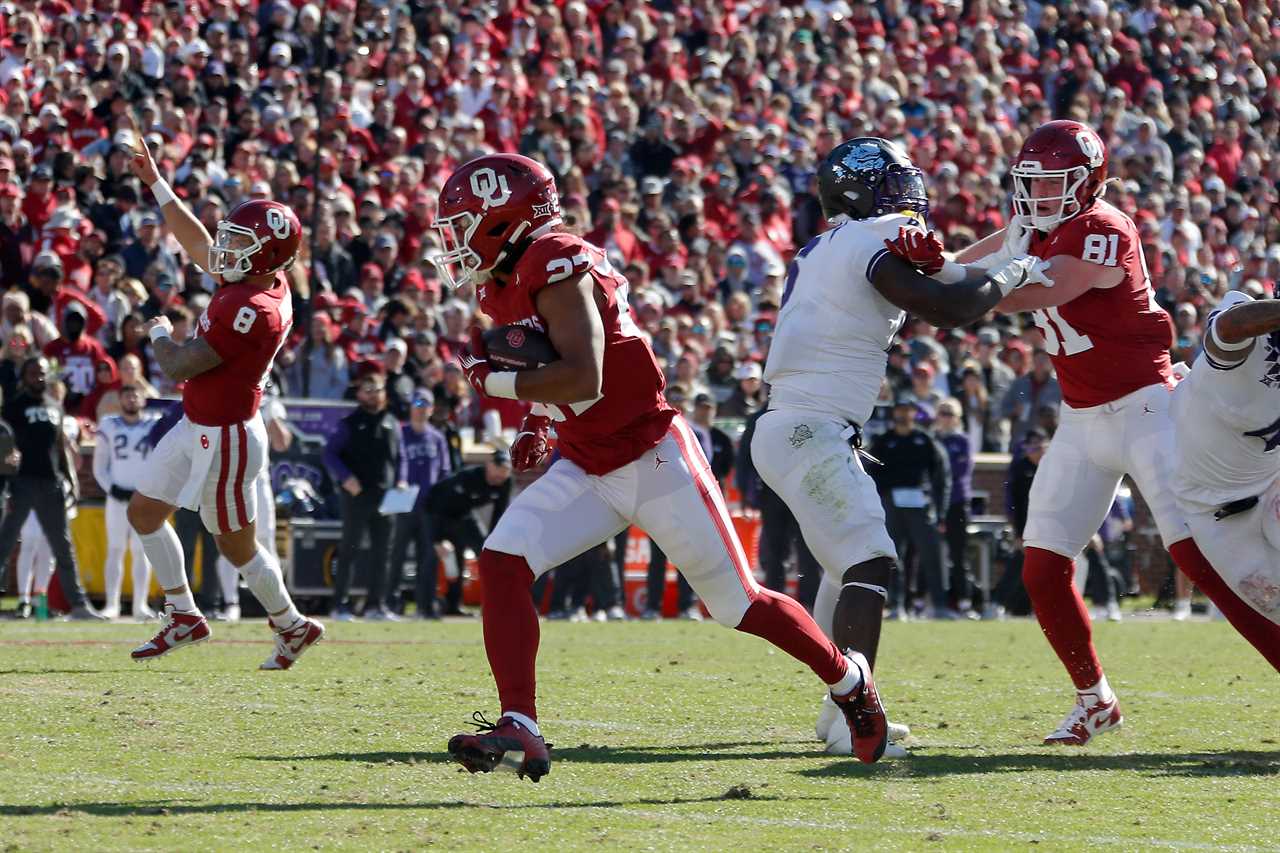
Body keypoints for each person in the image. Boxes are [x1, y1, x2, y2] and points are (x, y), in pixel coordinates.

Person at [437, 153, 891, 781]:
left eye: (463, 224)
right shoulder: (503, 280)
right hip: (587, 459)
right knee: (502, 561)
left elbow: (584, 372)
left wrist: (494, 385)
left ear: (504, 220)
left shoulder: (555, 259)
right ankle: (521, 721)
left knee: (739, 605)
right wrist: (537, 420)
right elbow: (546, 362)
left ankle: (849, 682)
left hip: (653, 455)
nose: (453, 241)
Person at [748, 137, 1048, 756]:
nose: (907, 194)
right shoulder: (869, 237)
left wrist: (1002, 245)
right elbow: (948, 307)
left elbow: (946, 276)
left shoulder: (830, 245)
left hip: (793, 425)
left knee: (843, 565)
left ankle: (837, 715)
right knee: (870, 559)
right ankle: (860, 718)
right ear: (860, 190)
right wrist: (1015, 267)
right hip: (811, 425)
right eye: (892, 180)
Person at [954, 119, 1226, 745]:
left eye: (1051, 184)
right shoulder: (1034, 228)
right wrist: (925, 272)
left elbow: (1046, 290)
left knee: (1199, 557)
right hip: (1081, 419)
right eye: (1031, 183)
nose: (1037, 196)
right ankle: (1094, 699)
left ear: (1086, 183)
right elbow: (960, 269)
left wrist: (957, 294)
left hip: (1147, 408)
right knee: (1043, 569)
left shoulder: (1102, 228)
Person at [122, 122, 324, 669]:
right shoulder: (260, 282)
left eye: (239, 243)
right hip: (199, 424)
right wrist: (158, 183)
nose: (225, 249)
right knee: (143, 512)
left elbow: (181, 366)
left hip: (226, 435)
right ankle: (185, 615)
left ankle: (292, 625)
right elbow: (198, 245)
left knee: (234, 546)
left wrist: (159, 331)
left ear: (266, 255)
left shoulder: (249, 308)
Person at [1168, 290, 1280, 672]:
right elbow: (1228, 332)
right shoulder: (1247, 323)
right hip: (1216, 510)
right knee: (1272, 603)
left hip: (1272, 482)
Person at [0, 357, 103, 620]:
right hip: (20, 484)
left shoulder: (56, 407)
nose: (39, 377)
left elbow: (60, 448)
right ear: (24, 376)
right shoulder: (12, 407)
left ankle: (79, 605)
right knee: (5, 544)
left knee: (62, 548)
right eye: (33, 373)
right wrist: (7, 475)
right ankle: (19, 602)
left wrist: (71, 480)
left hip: (51, 483)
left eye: (43, 373)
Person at [322, 367, 405, 621]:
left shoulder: (392, 423)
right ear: (359, 394)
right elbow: (329, 454)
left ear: (384, 393)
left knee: (383, 553)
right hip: (357, 496)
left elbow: (401, 457)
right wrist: (346, 479)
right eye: (368, 390)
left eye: (377, 390)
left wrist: (402, 480)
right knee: (349, 550)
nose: (373, 395)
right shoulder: (349, 424)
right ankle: (341, 605)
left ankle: (376, 606)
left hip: (388, 497)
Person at [868, 398, 952, 620]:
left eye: (908, 410)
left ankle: (939, 605)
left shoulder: (924, 440)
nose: (903, 415)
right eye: (900, 410)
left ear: (914, 413)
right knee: (894, 556)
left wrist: (939, 510)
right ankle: (897, 605)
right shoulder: (883, 442)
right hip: (891, 504)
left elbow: (941, 476)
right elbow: (870, 472)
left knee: (931, 554)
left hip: (920, 504)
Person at [213, 393, 292, 623]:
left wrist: (273, 416)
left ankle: (277, 605)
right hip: (228, 477)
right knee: (227, 541)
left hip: (258, 479)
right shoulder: (223, 395)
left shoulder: (267, 402)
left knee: (266, 540)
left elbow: (282, 443)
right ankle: (231, 603)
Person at [92, 383, 160, 620]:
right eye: (127, 396)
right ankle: (112, 604)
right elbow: (99, 466)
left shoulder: (154, 424)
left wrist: (150, 490)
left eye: (136, 395)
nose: (132, 399)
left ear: (144, 399)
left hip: (143, 497)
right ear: (119, 400)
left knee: (142, 551)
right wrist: (112, 488)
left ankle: (140, 606)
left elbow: (161, 462)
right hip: (118, 497)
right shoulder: (109, 424)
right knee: (115, 549)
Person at [387, 388, 452, 619]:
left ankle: (425, 606)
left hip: (428, 508)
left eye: (425, 404)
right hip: (403, 505)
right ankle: (390, 604)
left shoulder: (437, 437)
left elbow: (445, 471)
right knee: (396, 556)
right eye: (417, 403)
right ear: (411, 407)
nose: (421, 408)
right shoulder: (399, 432)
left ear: (431, 409)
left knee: (428, 558)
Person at [425, 449, 514, 618]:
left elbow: (499, 514)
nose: (500, 477)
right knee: (432, 557)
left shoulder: (505, 482)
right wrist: (437, 539)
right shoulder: (467, 478)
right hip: (435, 512)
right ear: (489, 466)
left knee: (486, 553)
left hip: (463, 515)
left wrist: (495, 542)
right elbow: (438, 505)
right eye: (498, 471)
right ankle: (426, 607)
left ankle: (461, 604)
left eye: (504, 473)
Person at [934, 398, 977, 614]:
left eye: (950, 413)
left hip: (957, 503)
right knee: (927, 554)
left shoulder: (962, 441)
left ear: (958, 418)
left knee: (959, 554)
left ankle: (964, 600)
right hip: (934, 503)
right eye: (942, 412)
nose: (946, 417)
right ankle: (926, 600)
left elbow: (959, 471)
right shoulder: (931, 440)